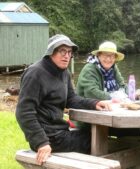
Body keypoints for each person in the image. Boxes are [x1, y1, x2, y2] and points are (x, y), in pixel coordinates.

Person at [16, 34, 111, 165]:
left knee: (97, 137)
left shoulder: (64, 73)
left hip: (59, 132)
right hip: (47, 138)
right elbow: (23, 113)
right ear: (51, 52)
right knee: (98, 142)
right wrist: (41, 142)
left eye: (69, 52)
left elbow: (71, 99)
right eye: (62, 51)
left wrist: (94, 103)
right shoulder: (35, 73)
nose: (67, 56)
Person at [76, 41, 140, 137]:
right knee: (130, 128)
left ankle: (139, 150)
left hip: (109, 112)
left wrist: (132, 92)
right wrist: (114, 97)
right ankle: (133, 150)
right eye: (105, 55)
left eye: (112, 56)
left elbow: (121, 85)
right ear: (99, 55)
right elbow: (91, 93)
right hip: (88, 118)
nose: (109, 59)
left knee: (136, 126)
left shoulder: (113, 68)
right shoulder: (89, 69)